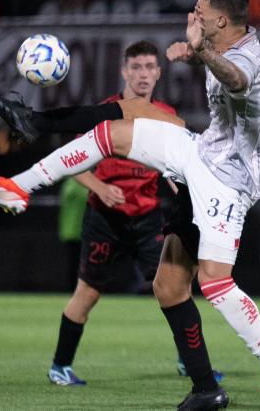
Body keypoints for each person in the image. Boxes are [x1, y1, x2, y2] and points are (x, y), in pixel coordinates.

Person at [0, 0, 260, 411]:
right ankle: (18, 187)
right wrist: (199, 53)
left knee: (214, 282)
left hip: (228, 184)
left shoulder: (247, 60)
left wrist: (201, 52)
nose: (192, 17)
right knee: (166, 280)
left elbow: (235, 79)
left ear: (220, 21)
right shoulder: (227, 45)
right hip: (201, 154)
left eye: (199, 13)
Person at [47, 40, 202, 387]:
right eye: (136, 67)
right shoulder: (105, 111)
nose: (143, 74)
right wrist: (100, 187)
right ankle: (60, 366)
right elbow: (70, 161)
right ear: (124, 72)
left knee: (179, 289)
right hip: (104, 219)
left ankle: (190, 364)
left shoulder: (165, 114)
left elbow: (175, 166)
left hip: (148, 220)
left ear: (159, 73)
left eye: (149, 67)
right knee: (87, 294)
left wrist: (183, 188)